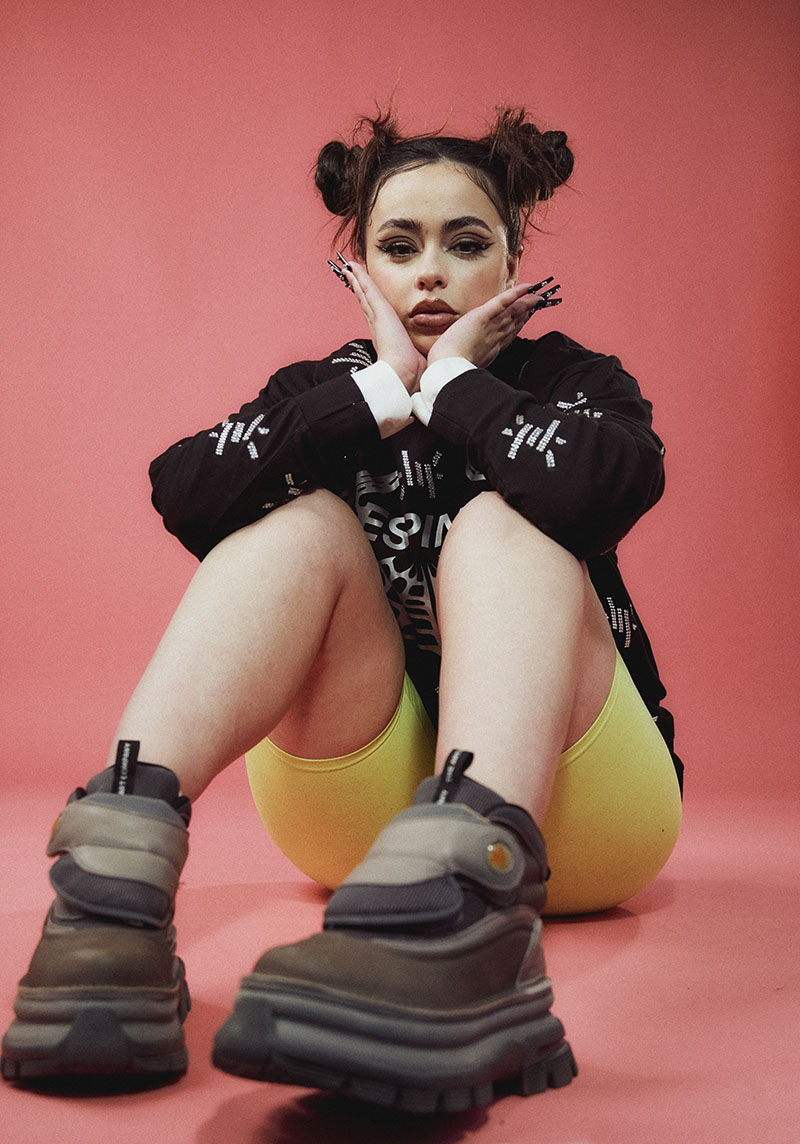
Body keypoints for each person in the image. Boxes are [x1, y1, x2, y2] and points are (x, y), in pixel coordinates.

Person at [2, 107, 683, 1112]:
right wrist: (379, 392)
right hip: (360, 820)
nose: (430, 274)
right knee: (295, 526)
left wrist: (455, 388)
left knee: (504, 523)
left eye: (465, 244)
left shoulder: (572, 383)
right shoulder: (326, 392)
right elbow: (185, 492)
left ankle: (469, 926)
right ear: (360, 267)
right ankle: (107, 904)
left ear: (512, 257)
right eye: (399, 247)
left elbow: (606, 485)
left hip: (581, 816)